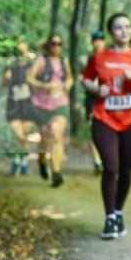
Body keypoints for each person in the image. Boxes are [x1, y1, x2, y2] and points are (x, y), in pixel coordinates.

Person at [82, 13, 131, 239]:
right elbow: (85, 78)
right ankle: (109, 218)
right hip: (104, 119)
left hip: (130, 121)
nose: (124, 31)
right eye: (118, 27)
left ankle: (118, 210)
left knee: (125, 170)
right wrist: (96, 89)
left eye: (127, 27)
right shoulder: (100, 57)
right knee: (110, 167)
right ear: (111, 32)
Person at [27, 34, 73, 188]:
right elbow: (30, 78)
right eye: (53, 43)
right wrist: (43, 86)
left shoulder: (63, 61)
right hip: (41, 105)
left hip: (60, 104)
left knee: (56, 134)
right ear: (48, 45)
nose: (57, 47)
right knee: (45, 139)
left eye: (60, 44)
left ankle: (56, 173)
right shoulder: (40, 61)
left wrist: (67, 84)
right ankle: (42, 161)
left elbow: (70, 78)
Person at [2, 42, 37, 175]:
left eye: (22, 51)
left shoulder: (32, 67)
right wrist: (7, 78)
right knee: (19, 134)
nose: (20, 54)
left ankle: (21, 163)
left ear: (27, 52)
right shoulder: (10, 66)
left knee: (25, 134)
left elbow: (37, 86)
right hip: (13, 106)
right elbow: (3, 84)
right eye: (18, 51)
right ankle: (19, 161)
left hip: (28, 105)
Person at [84, 30, 107, 174]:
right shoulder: (90, 59)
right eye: (95, 40)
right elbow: (86, 80)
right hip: (92, 99)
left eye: (100, 40)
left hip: (107, 99)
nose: (97, 43)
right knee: (94, 130)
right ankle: (97, 161)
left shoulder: (111, 58)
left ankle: (105, 159)